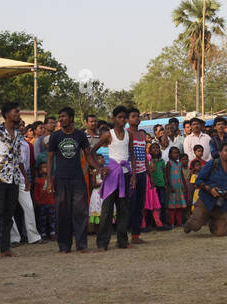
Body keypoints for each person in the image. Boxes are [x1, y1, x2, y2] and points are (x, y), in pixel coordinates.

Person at [0, 104, 28, 259]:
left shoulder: (18, 134)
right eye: (16, 112)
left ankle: (5, 248)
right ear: (7, 114)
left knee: (9, 215)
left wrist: (25, 178)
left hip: (15, 178)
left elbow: (19, 158)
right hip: (0, 178)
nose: (18, 114)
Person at [48, 107, 92, 253]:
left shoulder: (80, 135)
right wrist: (49, 179)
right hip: (61, 180)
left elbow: (88, 154)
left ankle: (81, 245)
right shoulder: (55, 136)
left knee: (80, 212)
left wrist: (98, 166)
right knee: (62, 213)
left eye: (64, 116)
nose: (60, 119)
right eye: (59, 117)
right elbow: (50, 159)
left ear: (71, 118)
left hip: (78, 179)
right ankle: (64, 245)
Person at [95, 106, 133, 251]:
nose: (123, 120)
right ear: (114, 118)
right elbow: (92, 151)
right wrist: (100, 168)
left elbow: (132, 155)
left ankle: (122, 241)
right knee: (107, 211)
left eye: (125, 117)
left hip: (124, 174)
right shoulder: (108, 135)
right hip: (111, 175)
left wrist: (134, 174)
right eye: (120, 117)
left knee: (123, 209)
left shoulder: (129, 135)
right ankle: (102, 243)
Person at [184, 142, 227, 236]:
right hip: (206, 200)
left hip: (221, 204)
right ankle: (191, 223)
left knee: (221, 233)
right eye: (226, 150)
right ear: (220, 153)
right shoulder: (212, 164)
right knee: (195, 226)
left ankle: (212, 222)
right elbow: (198, 180)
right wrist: (210, 190)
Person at [127, 108, 151, 243]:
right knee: (130, 204)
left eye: (138, 116)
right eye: (133, 116)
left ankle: (136, 235)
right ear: (128, 119)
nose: (136, 118)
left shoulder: (142, 135)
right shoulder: (126, 133)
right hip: (131, 174)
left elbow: (145, 158)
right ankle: (124, 233)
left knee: (139, 205)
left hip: (142, 173)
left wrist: (150, 175)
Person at [165, 146, 188, 227]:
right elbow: (167, 175)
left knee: (179, 206)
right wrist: (170, 186)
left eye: (177, 153)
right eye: (174, 153)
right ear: (170, 154)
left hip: (179, 187)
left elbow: (181, 175)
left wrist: (184, 185)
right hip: (173, 187)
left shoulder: (179, 164)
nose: (176, 154)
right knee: (172, 207)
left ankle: (179, 222)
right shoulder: (169, 163)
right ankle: (171, 222)